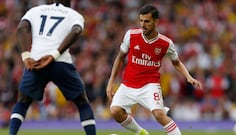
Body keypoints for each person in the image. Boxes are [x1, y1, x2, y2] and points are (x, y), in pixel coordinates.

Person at [106, 4, 203, 135]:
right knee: (115, 111)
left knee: (159, 115)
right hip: (128, 83)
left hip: (149, 85)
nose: (142, 24)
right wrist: (111, 82)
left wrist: (188, 76)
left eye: (147, 21)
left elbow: (177, 62)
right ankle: (140, 132)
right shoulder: (131, 35)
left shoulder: (166, 43)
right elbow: (120, 57)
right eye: (141, 20)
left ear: (156, 22)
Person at [9, 0, 96, 135]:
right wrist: (54, 55)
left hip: (36, 60)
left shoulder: (35, 10)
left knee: (23, 101)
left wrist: (26, 57)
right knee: (82, 102)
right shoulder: (74, 14)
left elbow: (21, 28)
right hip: (60, 62)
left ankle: (11, 134)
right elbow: (77, 30)